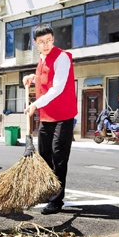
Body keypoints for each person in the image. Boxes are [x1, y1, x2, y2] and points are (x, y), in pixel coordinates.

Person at [22, 23, 77, 215]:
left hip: (63, 115)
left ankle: (56, 201)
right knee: (44, 154)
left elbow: (58, 87)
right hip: (47, 116)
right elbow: (45, 78)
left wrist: (35, 104)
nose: (46, 45)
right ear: (35, 43)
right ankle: (47, 191)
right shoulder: (42, 59)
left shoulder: (62, 57)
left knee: (58, 156)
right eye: (41, 42)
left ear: (53, 39)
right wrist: (32, 78)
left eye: (48, 41)